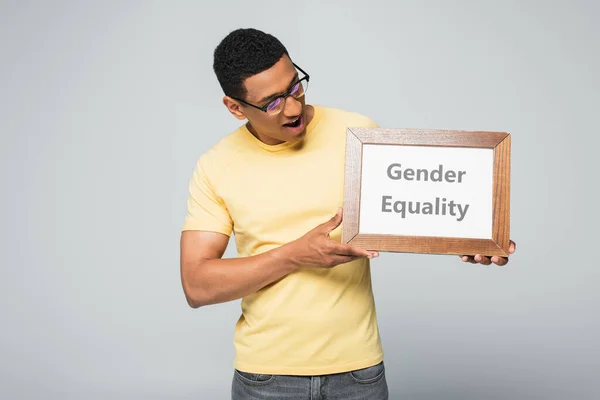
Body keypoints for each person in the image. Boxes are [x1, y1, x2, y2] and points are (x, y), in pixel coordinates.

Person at [179, 28, 516, 400]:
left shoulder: (358, 134)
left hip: (358, 374)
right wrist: (293, 255)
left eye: (295, 87)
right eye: (272, 102)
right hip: (265, 378)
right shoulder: (216, 166)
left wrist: (471, 235)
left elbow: (416, 208)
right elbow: (197, 285)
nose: (292, 108)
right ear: (235, 107)